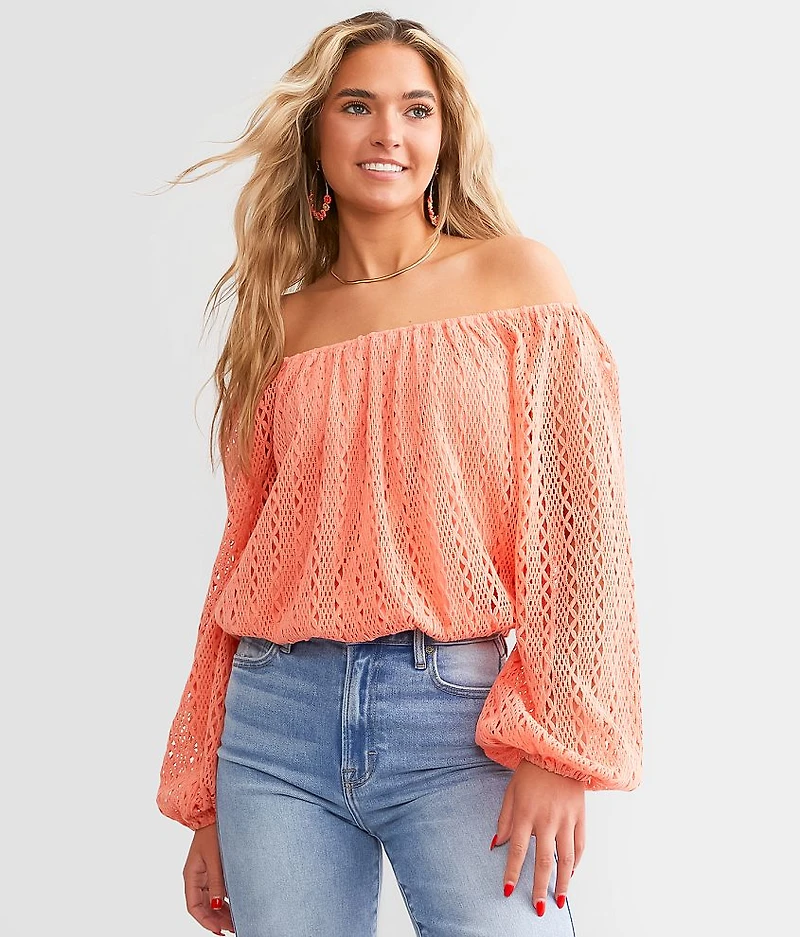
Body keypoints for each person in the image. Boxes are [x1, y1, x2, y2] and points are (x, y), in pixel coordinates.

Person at [154, 11, 643, 937]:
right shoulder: (280, 326)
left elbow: (583, 537)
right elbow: (242, 557)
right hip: (271, 727)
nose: (389, 132)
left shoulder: (517, 282)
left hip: (454, 718)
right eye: (357, 106)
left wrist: (559, 748)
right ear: (314, 133)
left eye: (417, 109)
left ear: (445, 135)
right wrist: (206, 798)